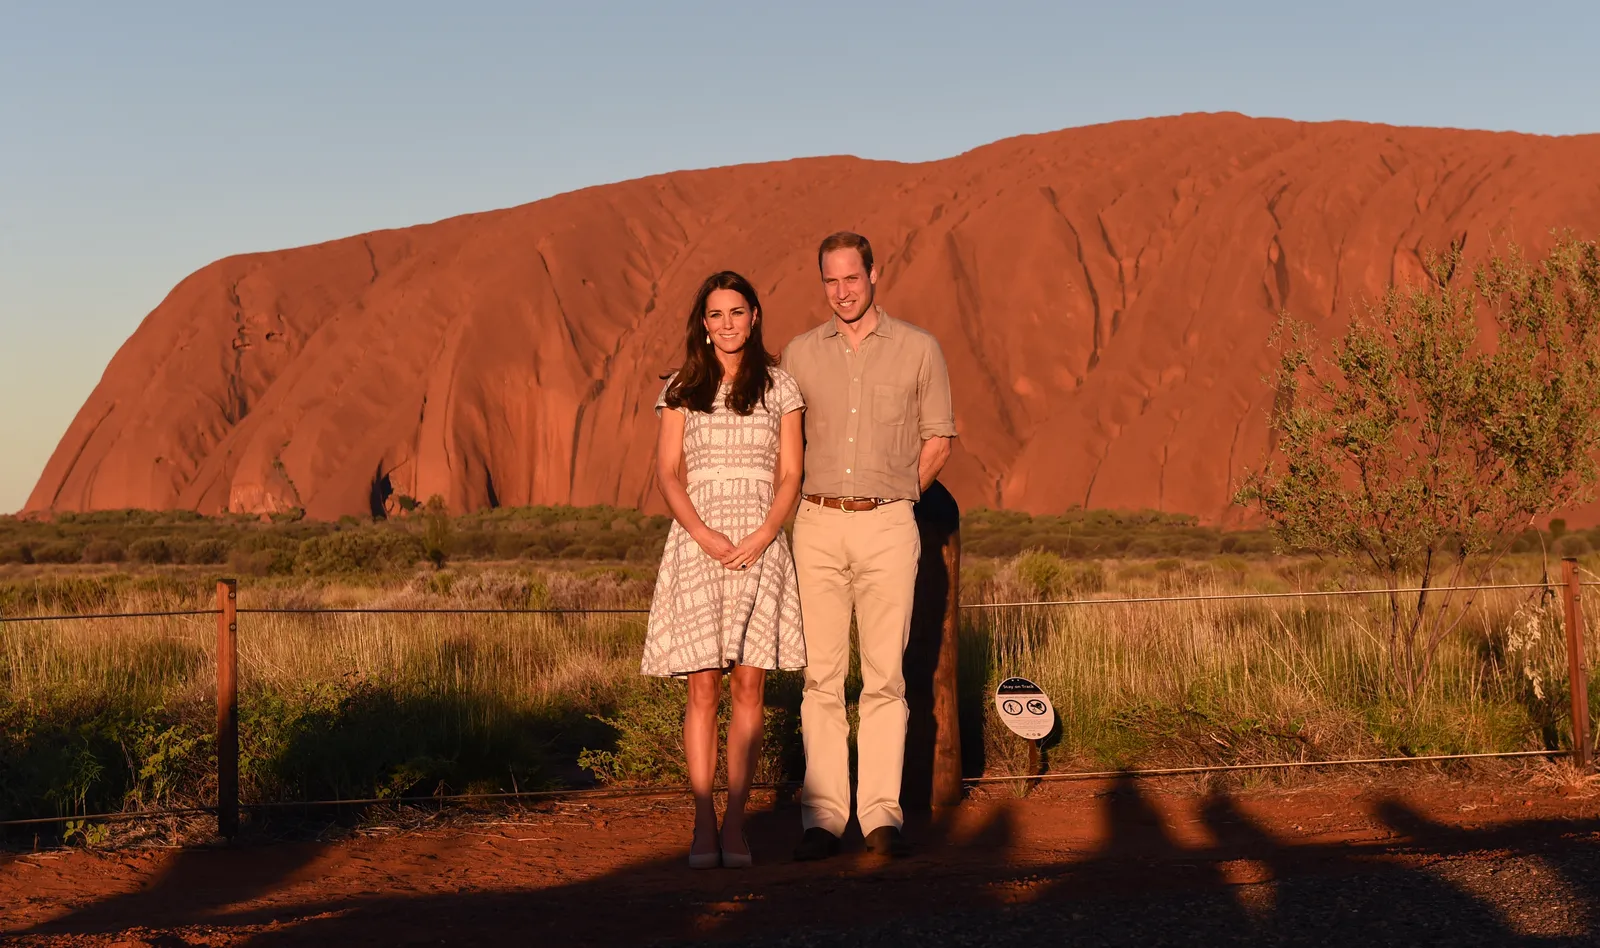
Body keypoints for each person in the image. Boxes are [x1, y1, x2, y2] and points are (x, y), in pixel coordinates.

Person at [781, 231, 956, 860]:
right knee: (821, 677)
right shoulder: (800, 355)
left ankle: (882, 814)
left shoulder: (917, 349)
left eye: (851, 278)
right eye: (830, 281)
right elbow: (782, 441)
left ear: (873, 275)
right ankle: (824, 818)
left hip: (888, 524)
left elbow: (939, 436)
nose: (842, 292)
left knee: (885, 677)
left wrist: (900, 493)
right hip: (819, 523)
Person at [642, 270, 807, 870]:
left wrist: (765, 533)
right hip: (698, 545)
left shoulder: (781, 387)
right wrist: (703, 533)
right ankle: (702, 818)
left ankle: (737, 821)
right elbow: (667, 473)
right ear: (703, 323)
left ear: (755, 316)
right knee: (703, 687)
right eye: (715, 314)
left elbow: (791, 473)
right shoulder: (682, 386)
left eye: (736, 312)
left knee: (749, 686)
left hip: (761, 546)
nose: (727, 324)